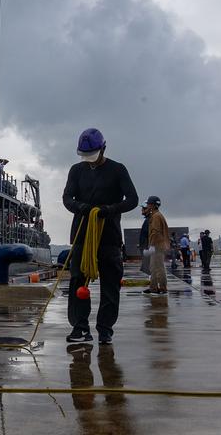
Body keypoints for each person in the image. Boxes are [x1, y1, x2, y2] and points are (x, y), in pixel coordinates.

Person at [62, 128, 138, 345]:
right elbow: (67, 197)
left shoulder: (117, 170)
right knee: (78, 280)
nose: (90, 162)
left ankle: (105, 329)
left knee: (110, 284)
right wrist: (80, 207)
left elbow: (132, 199)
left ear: (103, 148)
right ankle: (79, 327)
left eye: (93, 156)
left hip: (109, 235)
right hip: (81, 234)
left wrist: (109, 210)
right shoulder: (76, 170)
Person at [142, 196, 169, 295]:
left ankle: (162, 288)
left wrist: (152, 246)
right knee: (153, 268)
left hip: (157, 246)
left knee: (159, 268)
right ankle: (153, 287)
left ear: (153, 205)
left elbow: (155, 232)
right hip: (158, 245)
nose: (147, 206)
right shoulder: (156, 215)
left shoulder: (156, 216)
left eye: (149, 204)